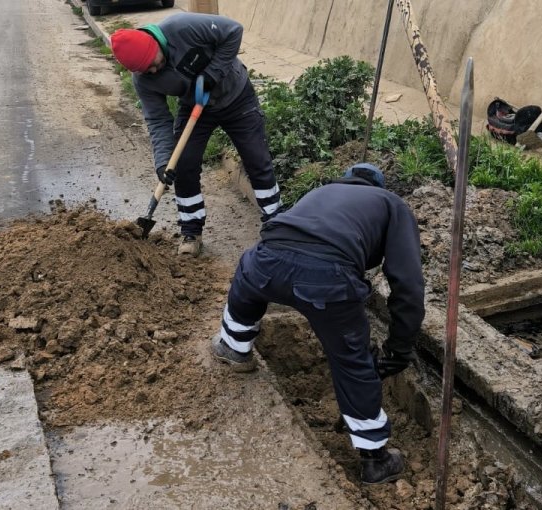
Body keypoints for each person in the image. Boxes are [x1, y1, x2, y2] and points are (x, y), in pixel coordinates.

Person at [209, 163, 425, 485]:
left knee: (249, 272)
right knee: (353, 361)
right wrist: (399, 346)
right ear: (380, 186)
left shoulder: (322, 191)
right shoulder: (392, 204)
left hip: (266, 261)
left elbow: (288, 240)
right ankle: (375, 460)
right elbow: (408, 284)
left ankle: (234, 346)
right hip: (327, 281)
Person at [109, 13, 282, 256]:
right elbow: (157, 120)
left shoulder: (183, 27)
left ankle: (276, 225)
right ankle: (191, 231)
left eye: (153, 63)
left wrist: (212, 73)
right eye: (145, 70)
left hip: (236, 96)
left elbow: (233, 31)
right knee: (183, 165)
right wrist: (163, 163)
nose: (153, 71)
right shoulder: (143, 80)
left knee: (257, 159)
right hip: (195, 108)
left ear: (155, 45)